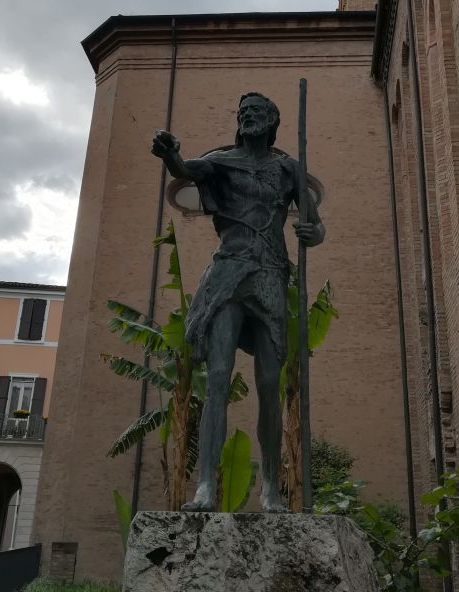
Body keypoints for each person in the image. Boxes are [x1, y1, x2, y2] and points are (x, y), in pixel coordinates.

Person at [151, 92, 325, 512]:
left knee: (268, 384)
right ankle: (206, 486)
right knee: (218, 378)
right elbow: (185, 168)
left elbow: (315, 225)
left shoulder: (288, 170)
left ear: (272, 121)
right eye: (243, 112)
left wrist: (311, 234)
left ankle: (269, 487)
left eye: (256, 112)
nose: (248, 116)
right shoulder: (222, 162)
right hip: (228, 270)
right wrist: (170, 154)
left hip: (268, 273)